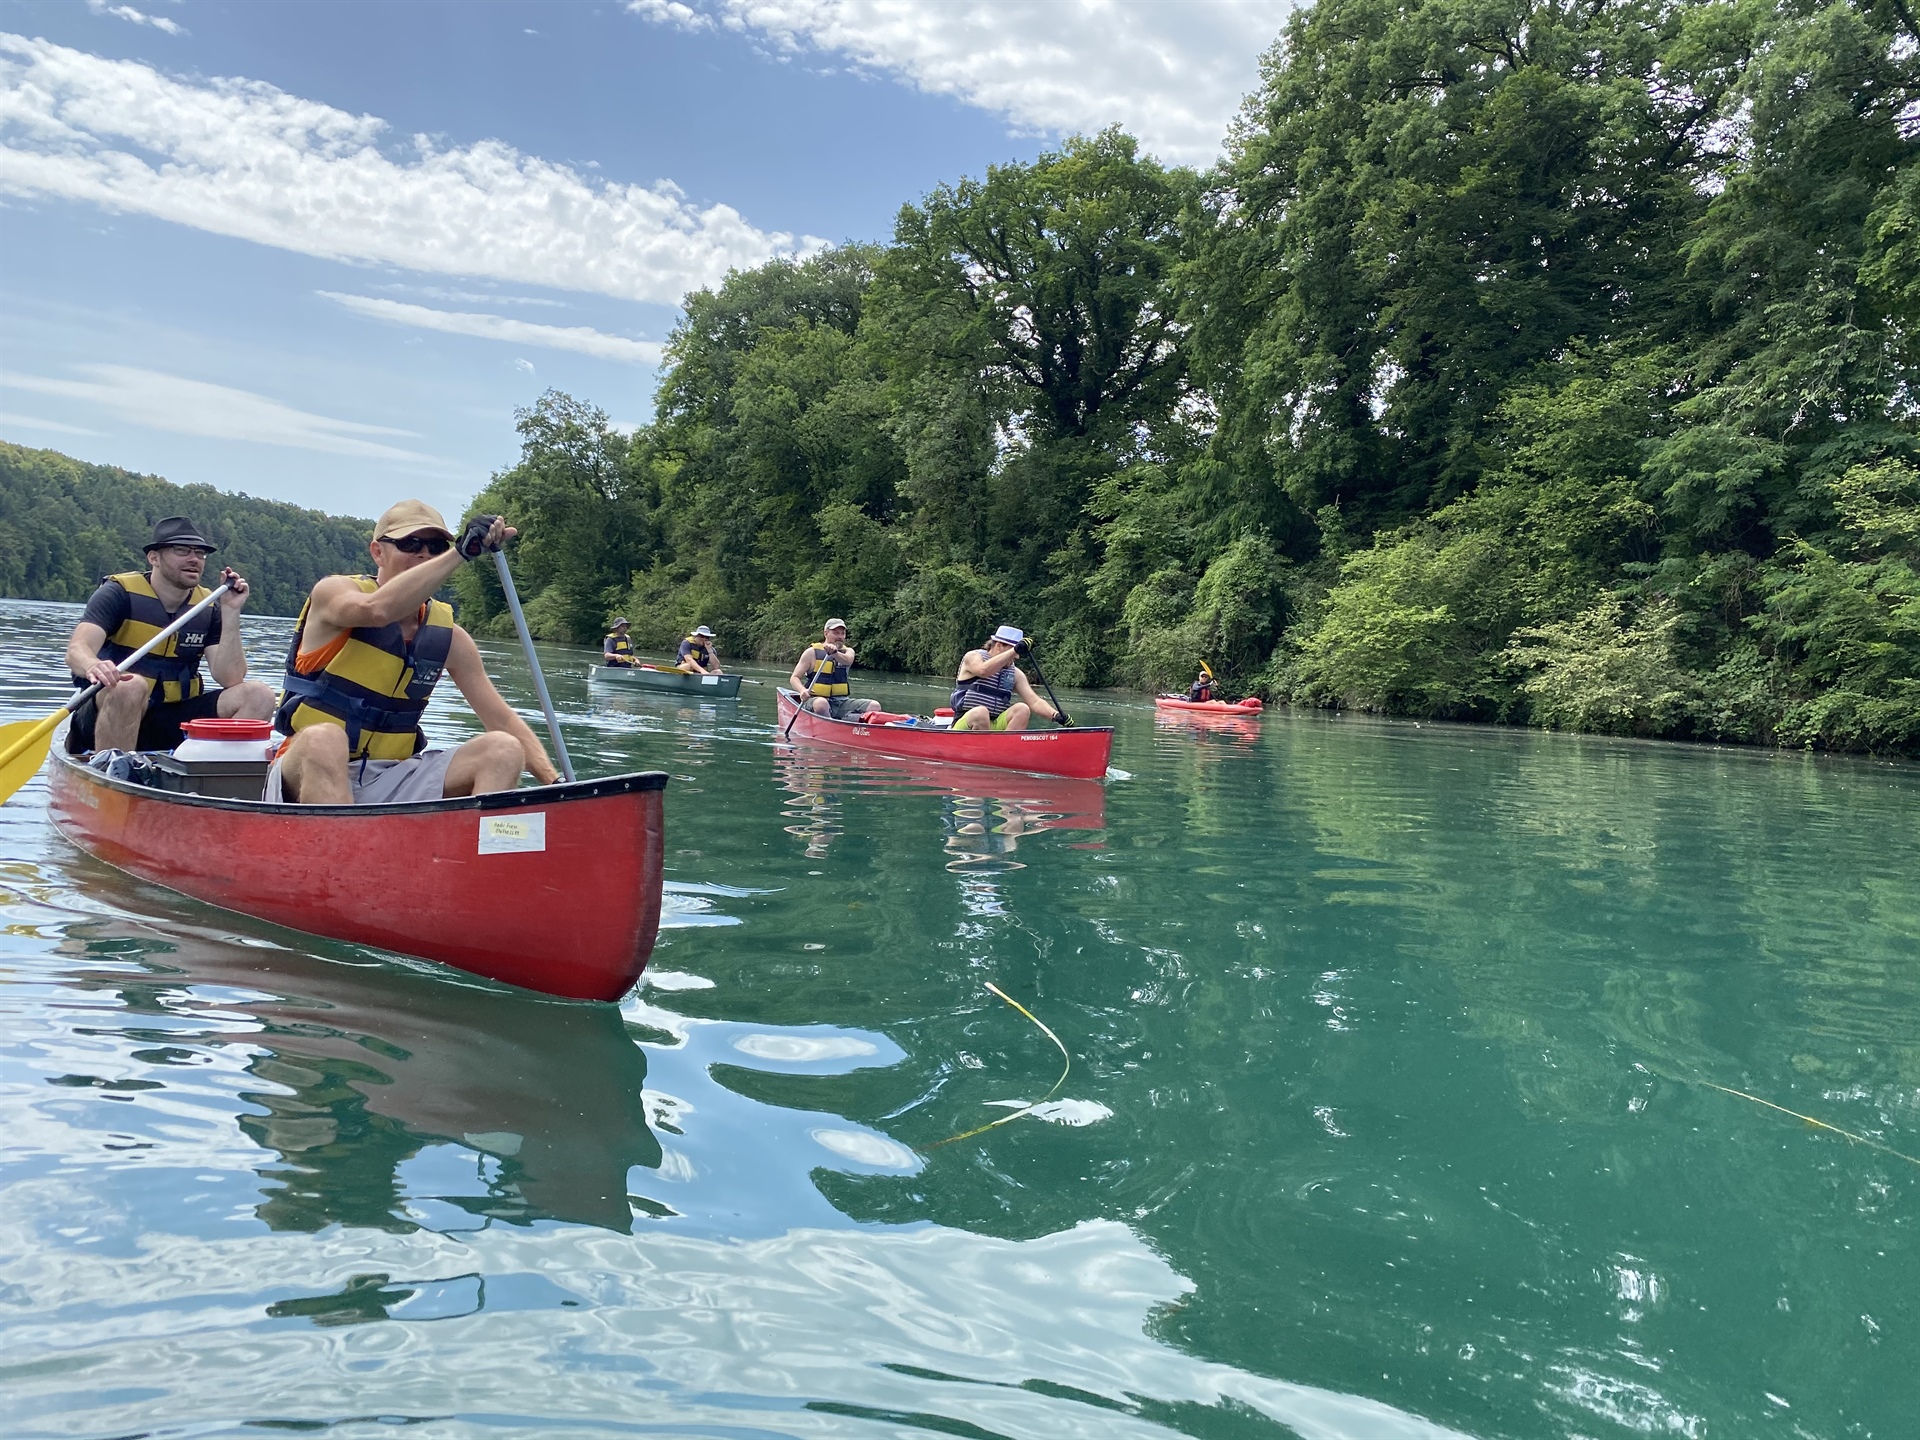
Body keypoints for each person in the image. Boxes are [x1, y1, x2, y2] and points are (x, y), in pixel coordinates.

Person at [266, 500, 561, 804]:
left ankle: (480, 846)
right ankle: (340, 847)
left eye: (435, 546)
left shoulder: (450, 639)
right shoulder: (334, 593)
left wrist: (556, 783)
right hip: (306, 768)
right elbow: (378, 610)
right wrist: (459, 554)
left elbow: (502, 720)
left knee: (504, 748)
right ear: (377, 552)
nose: (424, 553)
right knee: (323, 738)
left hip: (392, 775)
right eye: (411, 543)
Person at [63, 516, 277, 754]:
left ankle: (214, 776)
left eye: (200, 553)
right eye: (182, 550)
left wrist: (231, 610)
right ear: (154, 557)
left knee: (259, 695)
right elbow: (77, 650)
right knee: (129, 686)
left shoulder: (209, 606)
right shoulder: (118, 594)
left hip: (173, 720)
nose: (194, 559)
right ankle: (112, 772)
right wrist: (93, 665)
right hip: (109, 713)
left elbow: (231, 678)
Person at [950, 625, 1062, 732]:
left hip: (995, 724)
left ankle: (1004, 747)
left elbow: (1035, 701)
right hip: (967, 722)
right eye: (1014, 650)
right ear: (998, 646)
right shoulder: (973, 657)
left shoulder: (1015, 673)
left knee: (1022, 709)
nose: (1017, 656)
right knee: (981, 712)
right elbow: (983, 671)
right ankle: (983, 747)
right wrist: (1014, 650)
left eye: (1018, 651)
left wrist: (1056, 716)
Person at [789, 618, 879, 719]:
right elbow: (794, 677)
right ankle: (829, 726)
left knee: (874, 706)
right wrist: (802, 691)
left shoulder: (848, 651)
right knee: (821, 704)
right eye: (836, 633)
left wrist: (835, 653)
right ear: (826, 633)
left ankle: (850, 723)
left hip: (841, 702)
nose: (840, 637)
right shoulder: (811, 652)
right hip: (815, 699)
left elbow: (848, 661)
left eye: (842, 633)